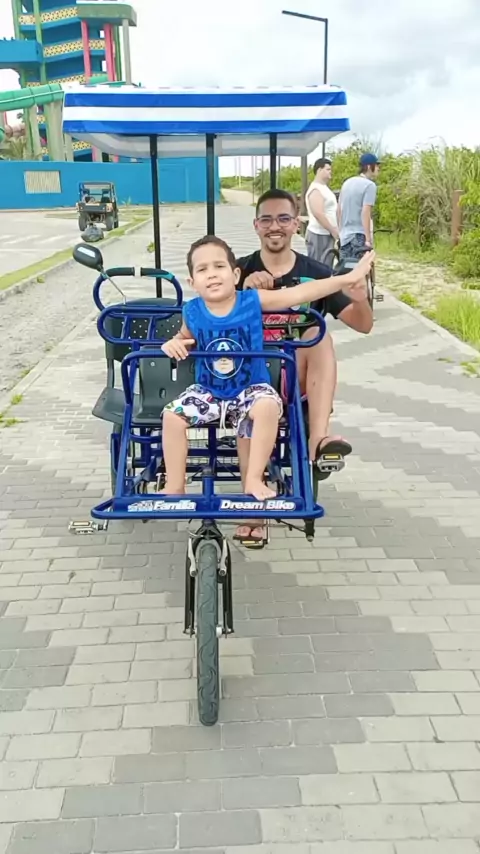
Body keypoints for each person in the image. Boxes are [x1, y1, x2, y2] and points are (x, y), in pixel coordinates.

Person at [160, 235, 374, 508]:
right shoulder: (192, 311)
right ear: (192, 282)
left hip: (250, 390)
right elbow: (183, 337)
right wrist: (172, 343)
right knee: (171, 416)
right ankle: (175, 485)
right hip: (209, 391)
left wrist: (345, 279)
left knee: (267, 407)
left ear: (235, 275)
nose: (212, 274)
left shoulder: (251, 301)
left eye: (219, 266)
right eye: (202, 269)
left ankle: (253, 479)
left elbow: (299, 294)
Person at [338, 152, 380, 261]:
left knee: (346, 268)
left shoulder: (347, 183)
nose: (378, 168)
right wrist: (368, 239)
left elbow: (339, 209)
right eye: (377, 165)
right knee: (361, 268)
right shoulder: (370, 185)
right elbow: (366, 212)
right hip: (359, 234)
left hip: (345, 236)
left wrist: (340, 231)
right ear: (369, 167)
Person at [305, 157, 339, 265]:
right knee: (318, 265)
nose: (330, 172)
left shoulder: (324, 188)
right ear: (319, 170)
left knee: (326, 265)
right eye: (328, 169)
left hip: (326, 234)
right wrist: (333, 230)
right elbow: (318, 213)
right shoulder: (315, 189)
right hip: (319, 234)